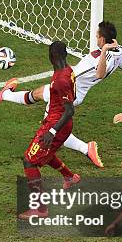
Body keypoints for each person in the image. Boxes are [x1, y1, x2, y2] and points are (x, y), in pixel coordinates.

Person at [0, 21, 122, 168]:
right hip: (76, 90)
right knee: (37, 95)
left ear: (103, 39)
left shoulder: (98, 58)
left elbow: (100, 74)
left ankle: (86, 149)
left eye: (97, 36)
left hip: (67, 89)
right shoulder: (120, 50)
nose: (96, 38)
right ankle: (6, 94)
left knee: (51, 127)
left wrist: (103, 51)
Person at [17, 41, 79, 220]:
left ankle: (40, 209)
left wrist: (51, 132)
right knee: (46, 152)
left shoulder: (60, 80)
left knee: (29, 160)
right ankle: (69, 177)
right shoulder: (67, 70)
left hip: (56, 126)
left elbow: (69, 110)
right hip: (55, 123)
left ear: (51, 57)